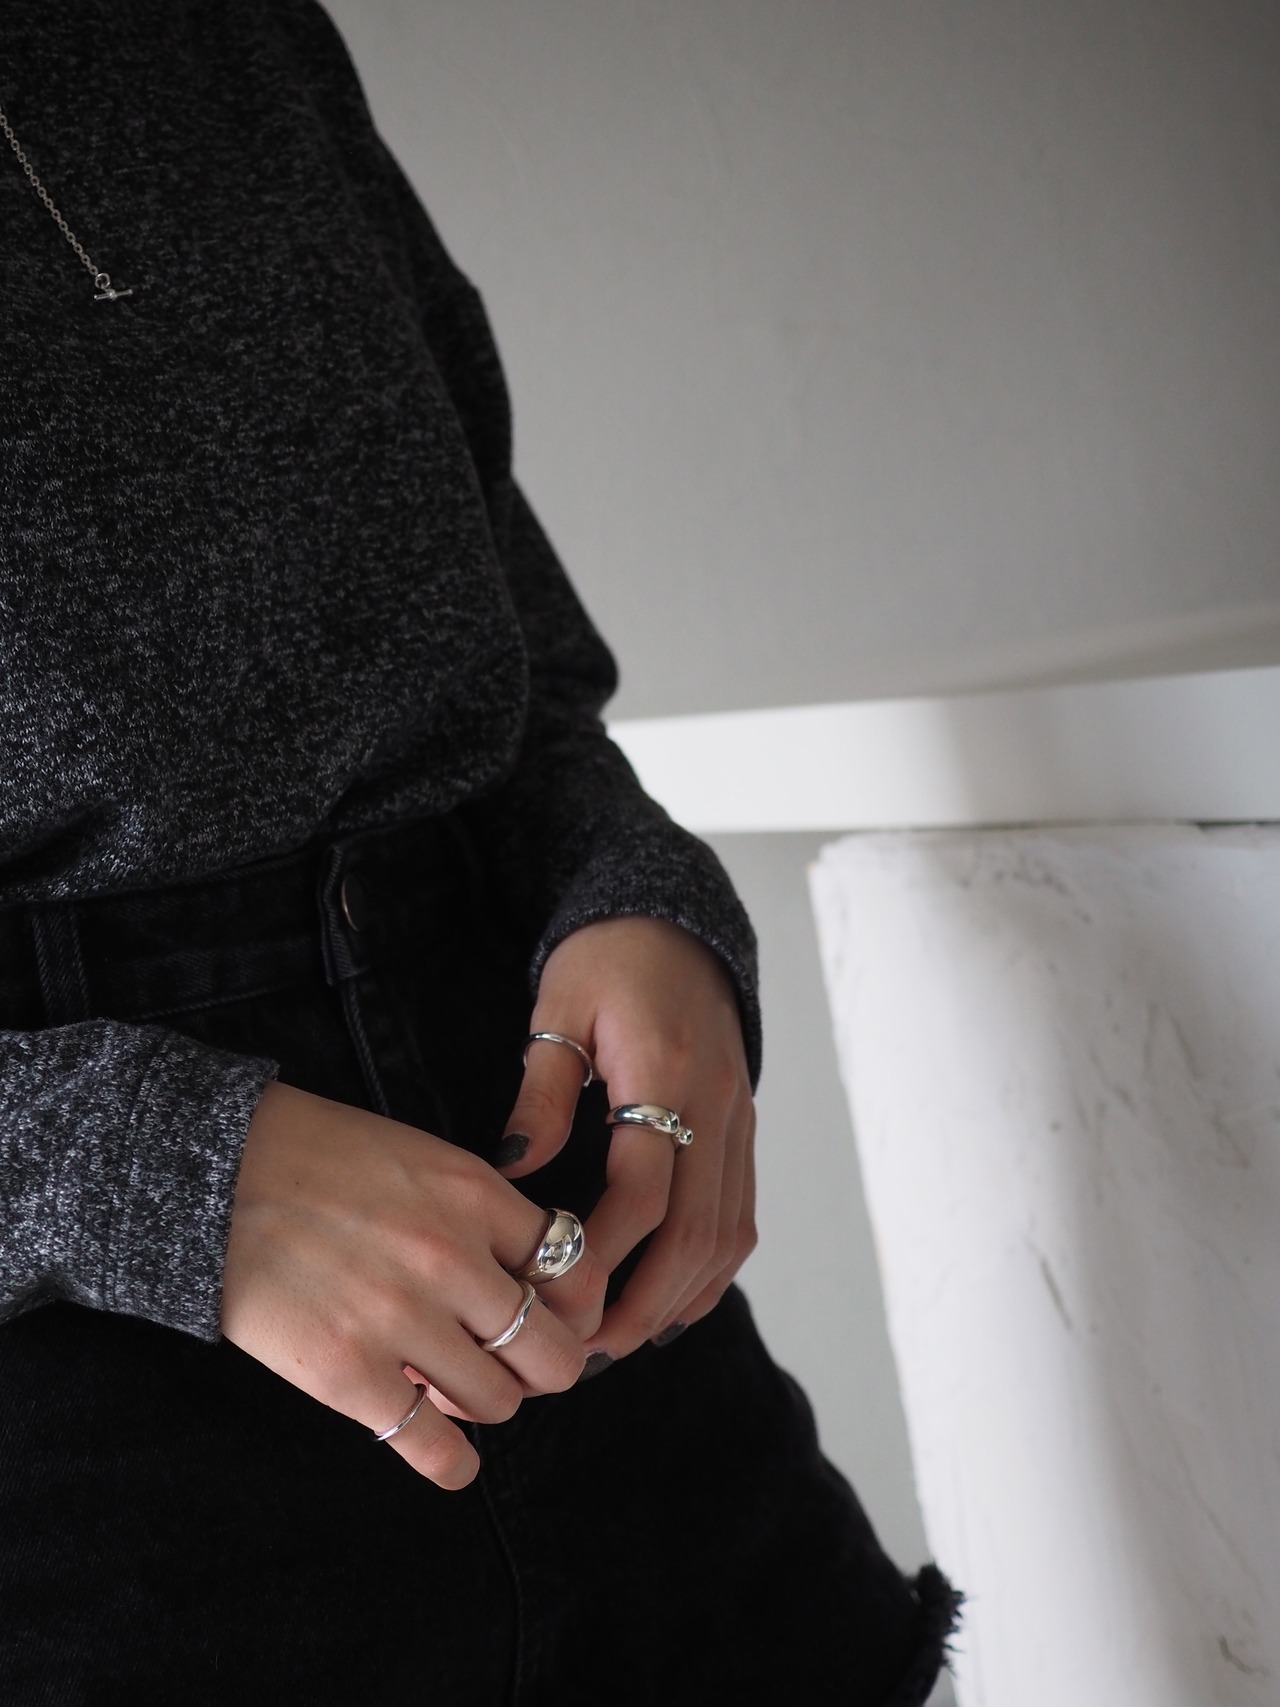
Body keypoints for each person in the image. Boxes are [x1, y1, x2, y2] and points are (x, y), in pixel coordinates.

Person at [0, 2, 961, 1701]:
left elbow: (513, 671)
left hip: (586, 1272)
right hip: (80, 1438)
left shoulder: (223, 31)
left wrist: (634, 898)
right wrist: (145, 1170)